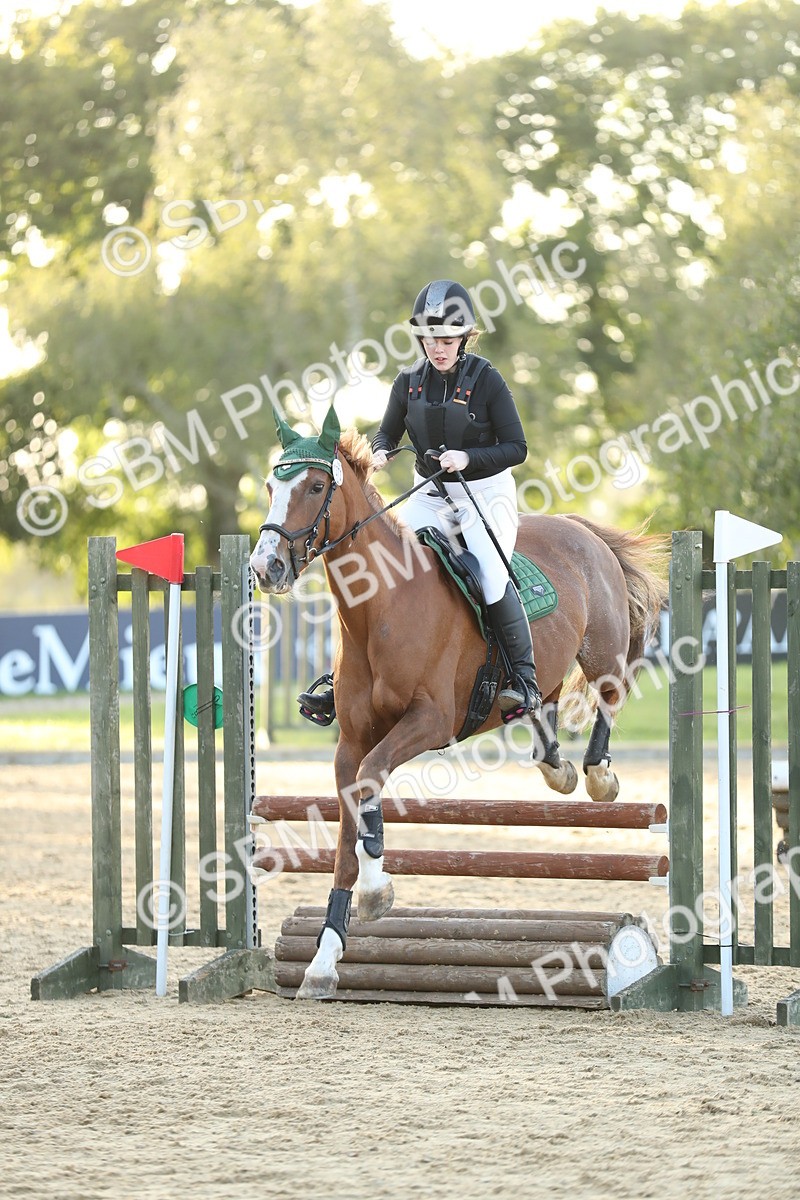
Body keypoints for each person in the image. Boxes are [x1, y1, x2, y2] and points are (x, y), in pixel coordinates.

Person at [298, 278, 542, 724]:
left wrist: (468, 457)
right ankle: (344, 679)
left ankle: (524, 681)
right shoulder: (408, 382)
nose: (438, 348)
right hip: (429, 493)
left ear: (463, 338)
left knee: (490, 576)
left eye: (446, 340)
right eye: (430, 339)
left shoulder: (487, 380)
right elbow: (387, 432)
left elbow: (517, 447)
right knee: (380, 568)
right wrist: (382, 450)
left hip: (485, 493)